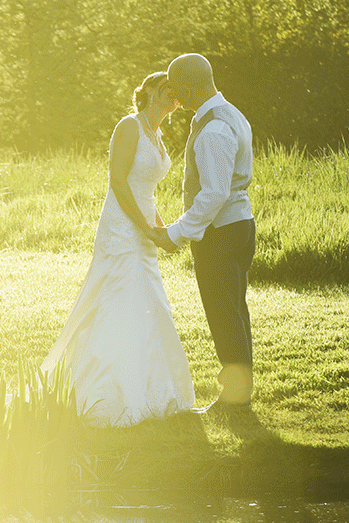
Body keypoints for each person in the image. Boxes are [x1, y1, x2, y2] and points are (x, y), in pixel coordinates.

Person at [41, 72, 195, 426]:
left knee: (147, 300)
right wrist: (143, 227)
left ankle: (149, 387)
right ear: (151, 93)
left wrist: (161, 230)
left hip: (143, 223)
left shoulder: (157, 135)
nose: (174, 96)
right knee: (119, 298)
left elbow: (147, 191)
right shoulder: (129, 127)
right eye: (167, 90)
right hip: (121, 226)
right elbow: (119, 181)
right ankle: (105, 393)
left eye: (177, 92)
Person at [149, 54, 256, 414]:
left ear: (190, 88)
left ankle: (234, 399)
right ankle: (240, 393)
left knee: (224, 314)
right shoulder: (231, 113)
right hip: (239, 226)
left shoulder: (213, 129)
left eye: (178, 91)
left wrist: (177, 233)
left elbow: (213, 194)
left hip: (221, 233)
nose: (176, 98)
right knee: (234, 310)